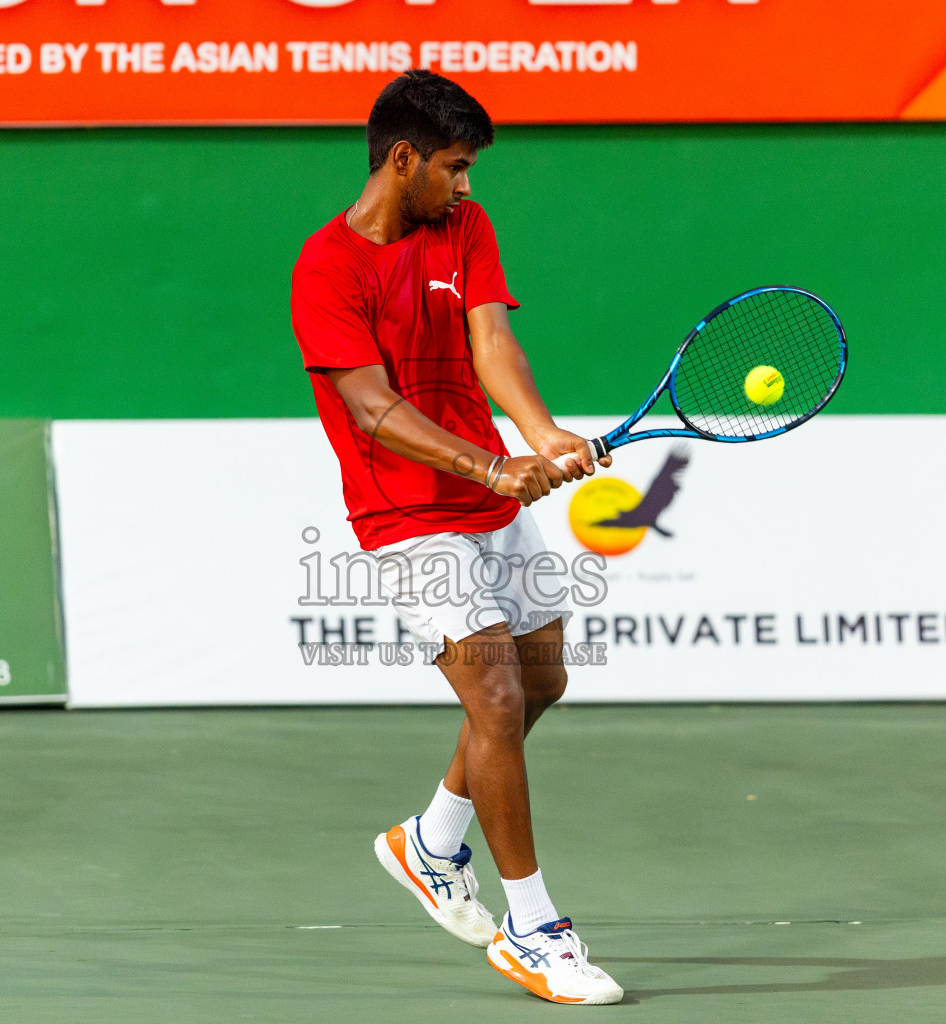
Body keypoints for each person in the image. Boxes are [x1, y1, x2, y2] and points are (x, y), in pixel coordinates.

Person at [289, 70, 623, 1006]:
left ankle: (430, 843)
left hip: (490, 501)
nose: (466, 185)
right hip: (403, 514)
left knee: (543, 679)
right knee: (499, 699)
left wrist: (541, 434)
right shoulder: (326, 267)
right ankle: (534, 929)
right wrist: (488, 465)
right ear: (404, 160)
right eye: (453, 167)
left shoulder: (462, 229)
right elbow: (369, 404)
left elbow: (491, 345)